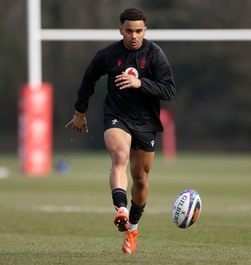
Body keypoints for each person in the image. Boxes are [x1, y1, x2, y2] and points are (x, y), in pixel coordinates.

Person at [66, 7, 176, 254]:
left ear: (145, 30)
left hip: (146, 123)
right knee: (119, 158)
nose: (134, 36)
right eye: (129, 31)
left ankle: (132, 228)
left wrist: (141, 83)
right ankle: (121, 209)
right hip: (117, 118)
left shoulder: (155, 55)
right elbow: (88, 79)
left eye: (138, 31)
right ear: (121, 30)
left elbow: (169, 90)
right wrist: (80, 111)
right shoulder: (108, 54)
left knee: (141, 178)